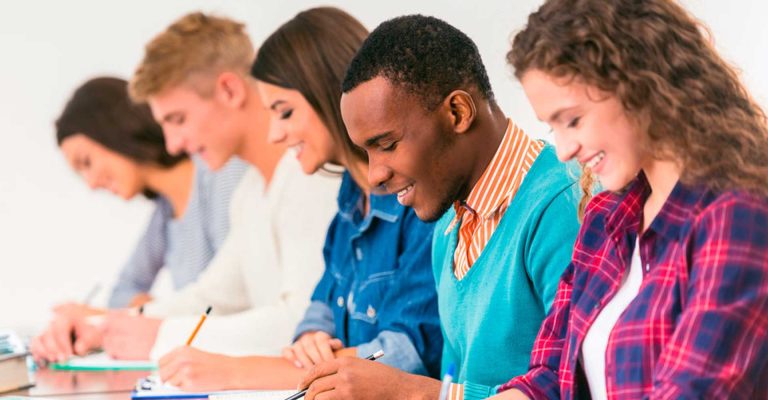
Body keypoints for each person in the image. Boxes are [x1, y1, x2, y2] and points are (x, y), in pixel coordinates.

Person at [154, 7, 443, 391]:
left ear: (331, 93)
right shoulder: (349, 201)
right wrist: (310, 338)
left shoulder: (419, 199)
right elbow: (321, 304)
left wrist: (239, 372)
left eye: (285, 113)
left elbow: (406, 353)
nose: (274, 134)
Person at [30, 13, 339, 371]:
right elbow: (210, 298)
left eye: (177, 119)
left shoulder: (311, 176)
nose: (173, 145)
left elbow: (300, 323)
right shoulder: (250, 194)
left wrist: (160, 336)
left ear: (229, 91)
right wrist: (101, 327)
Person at [491, 0, 768, 399]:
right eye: (553, 127)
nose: (564, 150)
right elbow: (550, 376)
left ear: (640, 84)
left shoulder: (737, 215)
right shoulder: (606, 218)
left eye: (573, 120)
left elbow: (692, 391)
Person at [298, 14, 582, 400]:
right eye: (366, 152)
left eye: (387, 145)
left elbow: (574, 388)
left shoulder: (563, 205)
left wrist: (407, 392)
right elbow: (454, 384)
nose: (375, 175)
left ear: (458, 113)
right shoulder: (448, 227)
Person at [53, 77, 245, 308]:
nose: (91, 184)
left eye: (86, 162)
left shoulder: (221, 175)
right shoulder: (164, 215)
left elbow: (231, 294)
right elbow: (122, 292)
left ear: (114, 130)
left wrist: (147, 315)